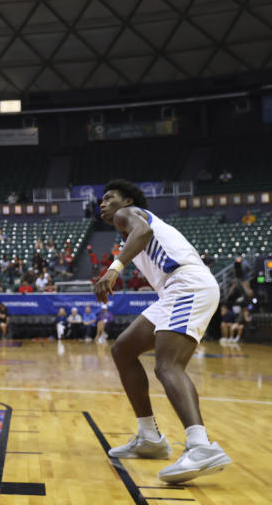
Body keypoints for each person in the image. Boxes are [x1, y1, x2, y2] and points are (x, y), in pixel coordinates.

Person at [94, 179, 230, 484]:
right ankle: (150, 438)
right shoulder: (127, 226)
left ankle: (200, 446)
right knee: (123, 350)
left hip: (187, 285)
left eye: (109, 198)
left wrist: (115, 268)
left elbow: (144, 232)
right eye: (101, 200)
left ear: (126, 201)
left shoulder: (129, 216)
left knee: (168, 365)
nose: (103, 203)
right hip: (172, 291)